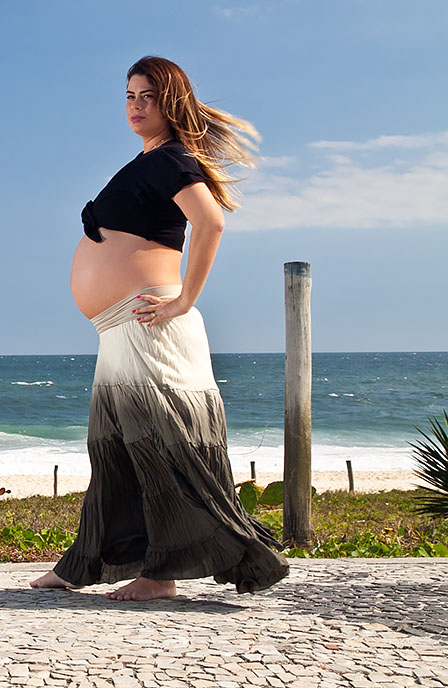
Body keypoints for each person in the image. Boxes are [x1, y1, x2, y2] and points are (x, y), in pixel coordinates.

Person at [30, 56, 289, 601]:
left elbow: (211, 221)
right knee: (116, 452)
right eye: (128, 96)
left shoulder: (173, 157)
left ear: (171, 102)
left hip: (150, 323)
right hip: (120, 329)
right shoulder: (149, 160)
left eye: (147, 96)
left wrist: (186, 299)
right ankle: (84, 564)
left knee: (163, 449)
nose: (136, 106)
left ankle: (163, 575)